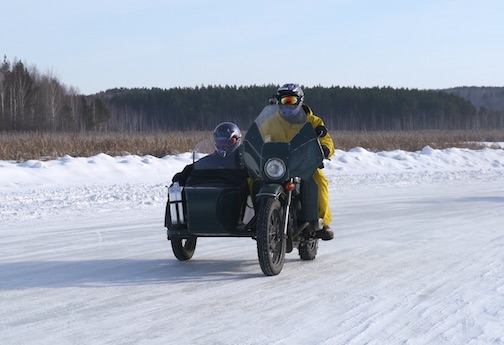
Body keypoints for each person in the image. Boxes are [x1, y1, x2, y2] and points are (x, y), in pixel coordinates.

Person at [263, 83, 335, 240]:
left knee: (319, 180)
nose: (287, 105)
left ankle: (322, 222)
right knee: (252, 178)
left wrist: (325, 149)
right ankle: (255, 216)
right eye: (284, 101)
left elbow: (326, 139)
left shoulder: (313, 121)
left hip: (303, 164)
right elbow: (260, 137)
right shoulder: (271, 122)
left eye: (291, 100)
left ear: (300, 101)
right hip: (277, 164)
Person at [172, 122, 248, 188]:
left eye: (229, 142)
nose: (223, 146)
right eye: (220, 142)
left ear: (238, 140)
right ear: (215, 142)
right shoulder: (212, 160)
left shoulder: (245, 161)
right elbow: (195, 166)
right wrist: (181, 177)